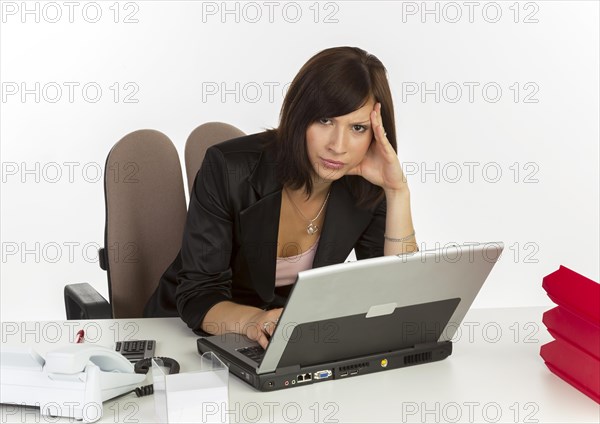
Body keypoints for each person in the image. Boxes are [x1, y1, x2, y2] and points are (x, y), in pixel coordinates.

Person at [144, 46, 417, 348]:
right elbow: (199, 294)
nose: (338, 146)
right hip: (180, 334)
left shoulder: (365, 184)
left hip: (279, 341)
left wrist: (396, 191)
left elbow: (395, 294)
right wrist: (253, 321)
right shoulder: (227, 168)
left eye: (357, 127)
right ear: (299, 116)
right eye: (325, 121)